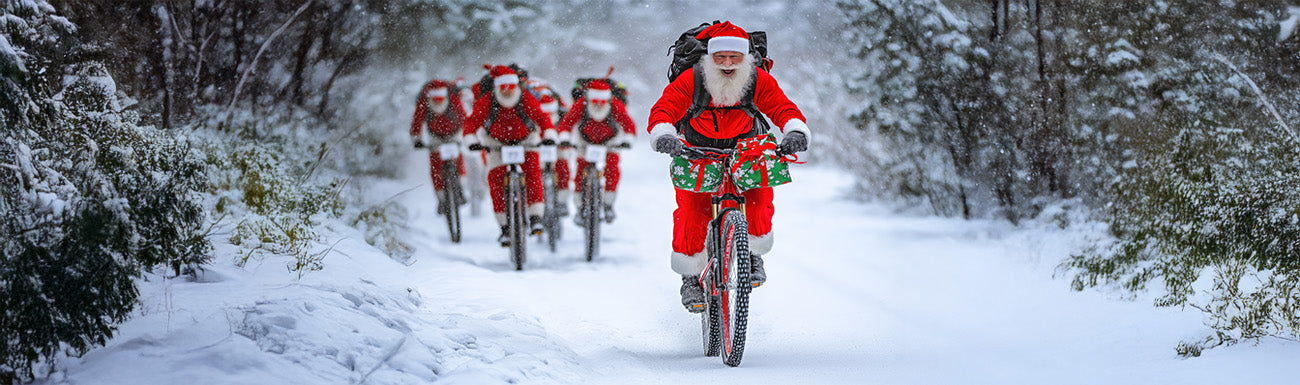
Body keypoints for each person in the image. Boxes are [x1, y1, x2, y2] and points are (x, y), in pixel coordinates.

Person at [647, 21, 810, 312]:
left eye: (734, 58)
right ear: (709, 58)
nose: (727, 64)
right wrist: (664, 135)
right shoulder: (692, 79)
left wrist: (794, 130)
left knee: (759, 200)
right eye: (720, 58)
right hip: (696, 148)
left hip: (747, 148)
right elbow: (665, 108)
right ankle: (690, 275)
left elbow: (781, 106)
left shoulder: (757, 79)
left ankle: (752, 253)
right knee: (692, 210)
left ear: (745, 58)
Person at [463, 64, 558, 246]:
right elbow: (472, 122)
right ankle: (505, 227)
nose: (507, 92)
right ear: (497, 87)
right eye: (503, 88)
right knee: (496, 179)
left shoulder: (526, 98)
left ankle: (535, 216)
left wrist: (548, 135)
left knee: (532, 174)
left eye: (510, 87)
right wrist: (471, 140)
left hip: (526, 140)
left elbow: (542, 118)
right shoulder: (488, 101)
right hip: (497, 143)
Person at [558, 79, 636, 223]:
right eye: (595, 101)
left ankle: (608, 203)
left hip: (610, 141)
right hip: (585, 141)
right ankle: (580, 207)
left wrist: (627, 139)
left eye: (602, 101)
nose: (599, 104)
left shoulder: (615, 105)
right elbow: (567, 122)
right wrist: (564, 137)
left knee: (612, 169)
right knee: (580, 172)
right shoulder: (582, 104)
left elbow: (628, 124)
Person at [409, 79, 468, 215]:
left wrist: (466, 135)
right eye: (435, 100)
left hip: (454, 133)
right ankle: (442, 199)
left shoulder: (453, 100)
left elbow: (463, 117)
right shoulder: (424, 103)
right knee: (436, 165)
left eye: (441, 99)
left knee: (458, 159)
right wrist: (417, 139)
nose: (438, 102)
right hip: (435, 136)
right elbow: (416, 122)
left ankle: (460, 188)